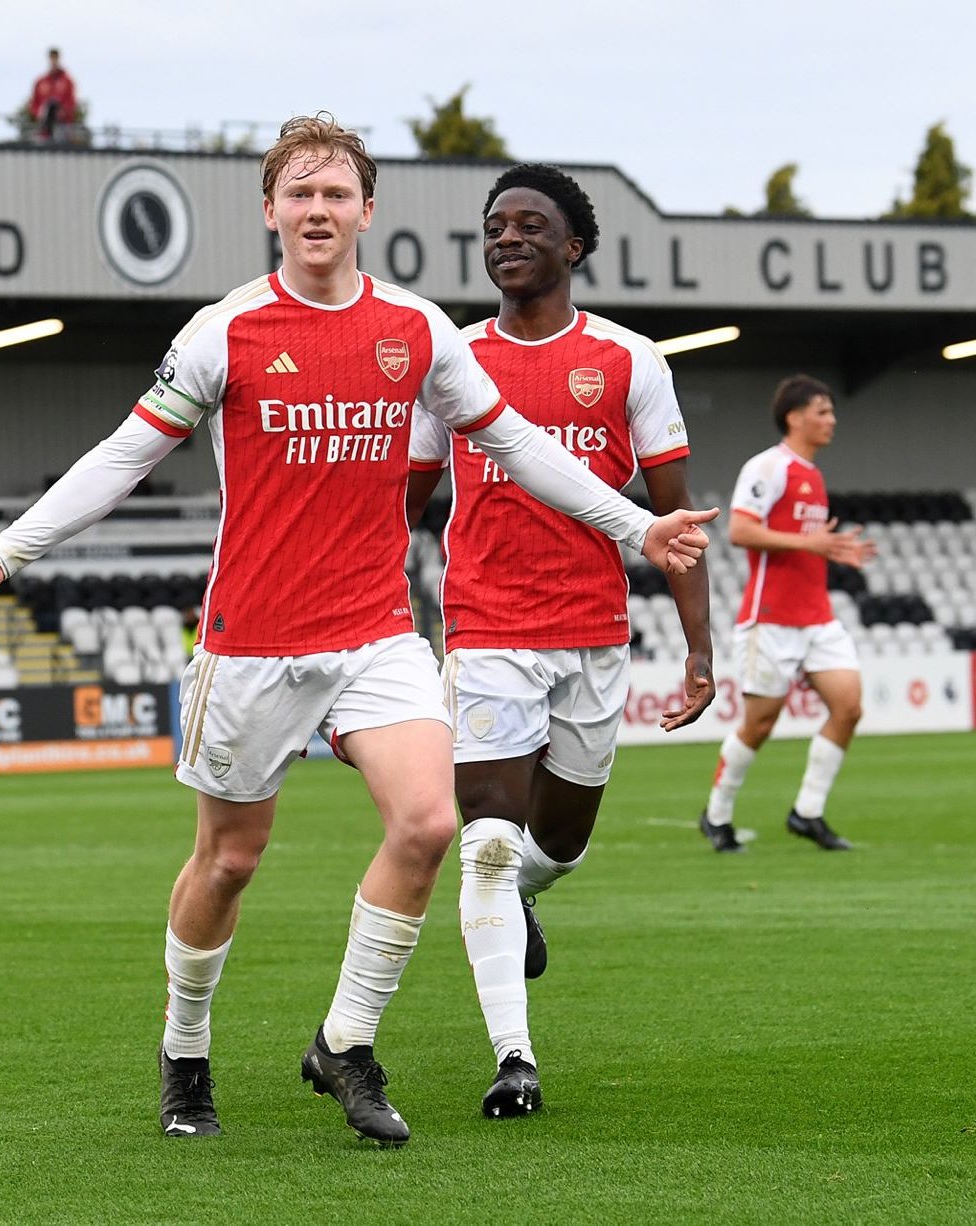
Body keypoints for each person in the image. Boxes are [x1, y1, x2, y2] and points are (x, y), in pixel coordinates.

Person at [0, 114, 716, 1147]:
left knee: (431, 822)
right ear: (270, 212)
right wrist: (10, 549)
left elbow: (518, 445)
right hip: (251, 640)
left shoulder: (417, 331)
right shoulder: (224, 331)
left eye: (335, 193)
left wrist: (636, 525)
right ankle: (184, 1048)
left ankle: (342, 1042)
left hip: (375, 632)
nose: (316, 210)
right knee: (229, 859)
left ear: (365, 212)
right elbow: (125, 455)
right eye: (298, 193)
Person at [404, 163, 714, 1119]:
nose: (507, 238)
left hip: (593, 634)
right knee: (487, 840)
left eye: (530, 225)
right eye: (495, 226)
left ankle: (528, 895)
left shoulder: (630, 361)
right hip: (489, 625)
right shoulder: (447, 360)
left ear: (573, 245)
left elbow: (677, 522)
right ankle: (514, 1058)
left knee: (560, 843)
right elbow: (402, 507)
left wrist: (701, 652)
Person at [699, 374, 875, 854]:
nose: (831, 419)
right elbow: (740, 530)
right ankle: (716, 814)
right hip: (770, 618)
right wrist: (810, 543)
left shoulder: (813, 475)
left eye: (831, 411)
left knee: (849, 706)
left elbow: (803, 544)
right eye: (822, 411)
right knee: (760, 723)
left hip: (816, 617)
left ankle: (808, 812)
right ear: (794, 417)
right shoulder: (769, 467)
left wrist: (831, 552)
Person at [29, 48, 77, 141]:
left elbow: (71, 102)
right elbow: (34, 103)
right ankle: (45, 132)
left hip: (62, 124)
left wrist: (63, 112)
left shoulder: (67, 81)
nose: (53, 60)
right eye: (52, 57)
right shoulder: (41, 81)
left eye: (55, 57)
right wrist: (39, 113)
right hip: (44, 126)